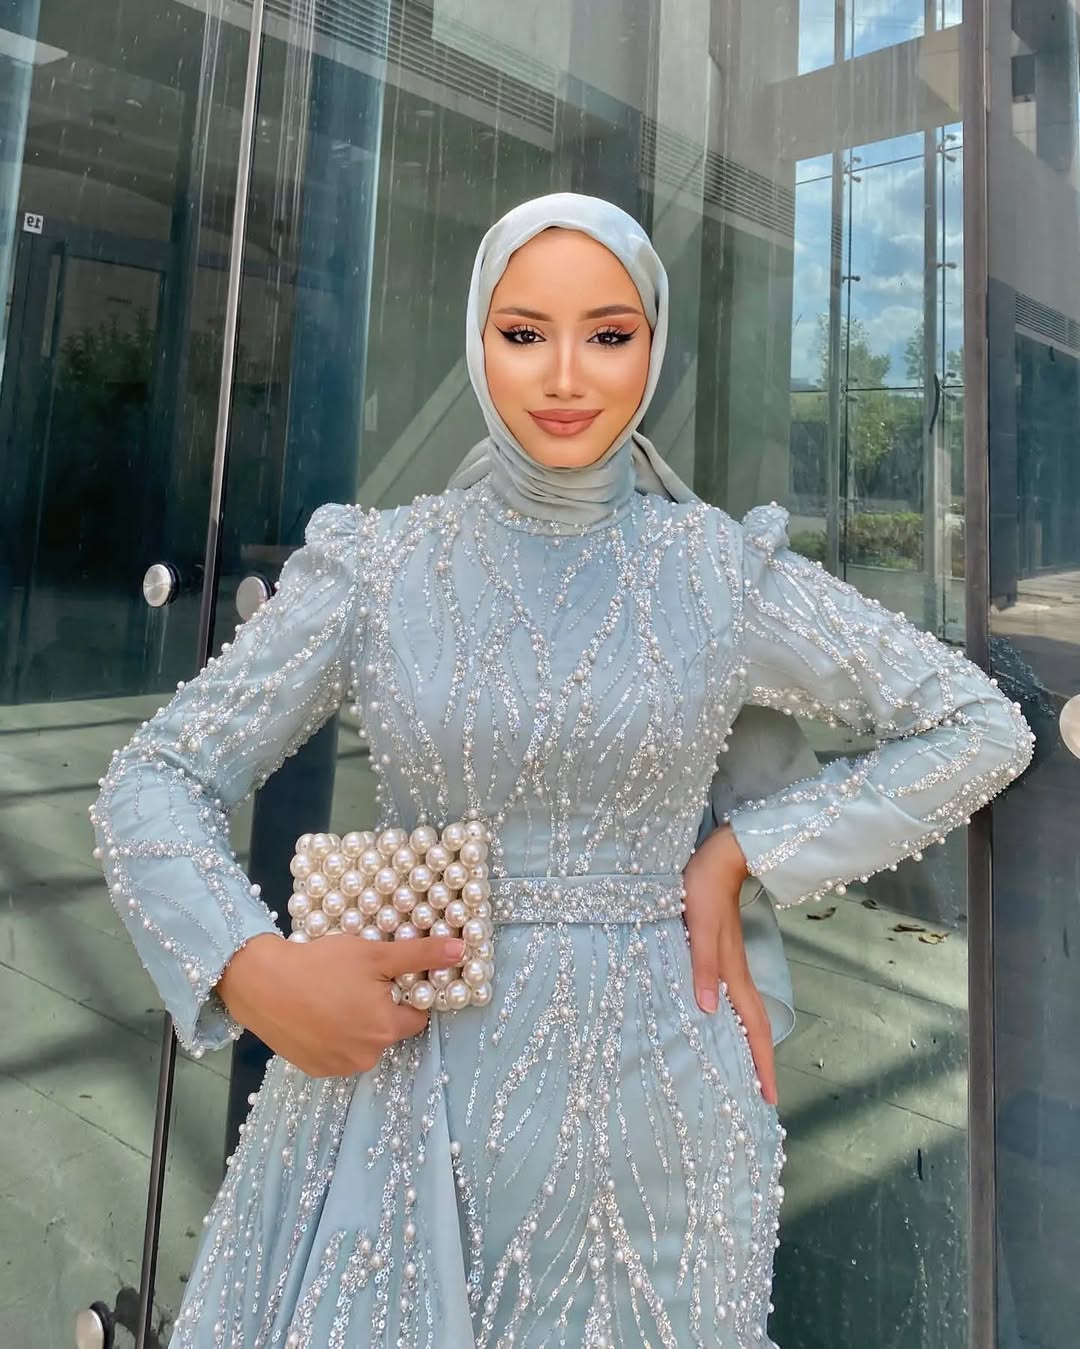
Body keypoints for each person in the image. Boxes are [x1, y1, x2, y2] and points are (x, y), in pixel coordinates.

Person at [90, 193, 1033, 1348]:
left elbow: (977, 726)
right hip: (399, 1080)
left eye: (610, 333)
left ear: (654, 344)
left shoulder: (717, 570)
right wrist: (250, 968)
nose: (566, 375)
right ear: (479, 343)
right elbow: (154, 775)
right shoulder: (380, 566)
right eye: (525, 332)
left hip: (662, 1118)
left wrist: (743, 853)